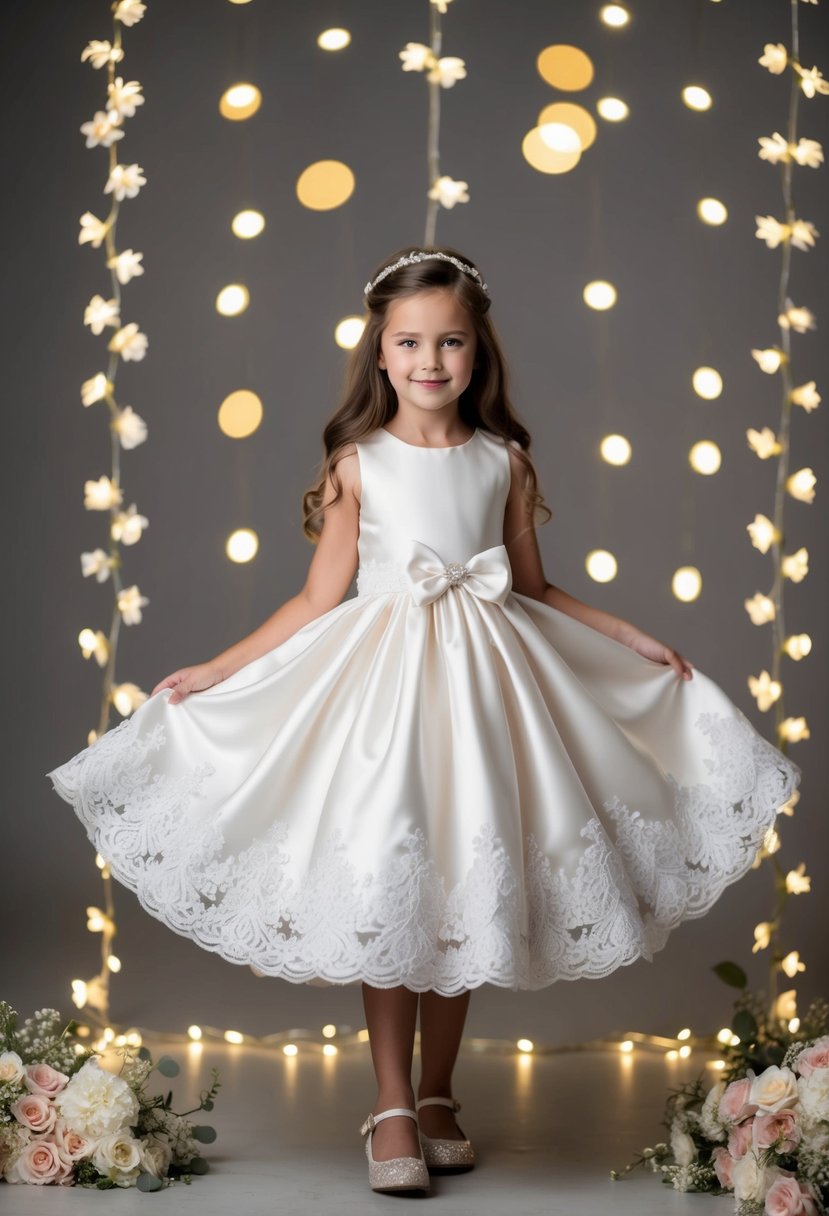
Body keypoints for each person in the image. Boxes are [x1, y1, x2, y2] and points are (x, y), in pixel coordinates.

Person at [46, 245, 800, 1197]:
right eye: (409, 343)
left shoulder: (502, 462)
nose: (430, 361)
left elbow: (529, 588)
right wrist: (218, 667)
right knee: (393, 883)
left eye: (449, 342)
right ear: (380, 351)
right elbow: (318, 597)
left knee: (463, 878)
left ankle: (439, 1093)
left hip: (488, 698)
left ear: (477, 351)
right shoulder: (357, 464)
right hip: (383, 702)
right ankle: (392, 1101)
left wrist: (629, 635)